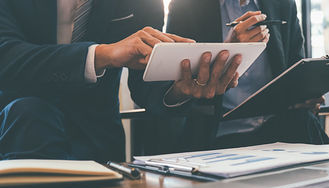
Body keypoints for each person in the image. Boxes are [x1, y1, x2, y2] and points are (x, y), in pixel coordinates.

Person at [0, 0, 241, 162]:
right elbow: (6, 55)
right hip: (17, 134)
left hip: (99, 143)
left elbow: (145, 83)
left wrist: (179, 90)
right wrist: (104, 54)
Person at [132, 0, 329, 154]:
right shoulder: (187, 6)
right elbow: (173, 77)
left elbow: (296, 68)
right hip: (217, 137)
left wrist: (304, 95)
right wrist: (230, 49)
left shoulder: (281, 3)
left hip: (280, 132)